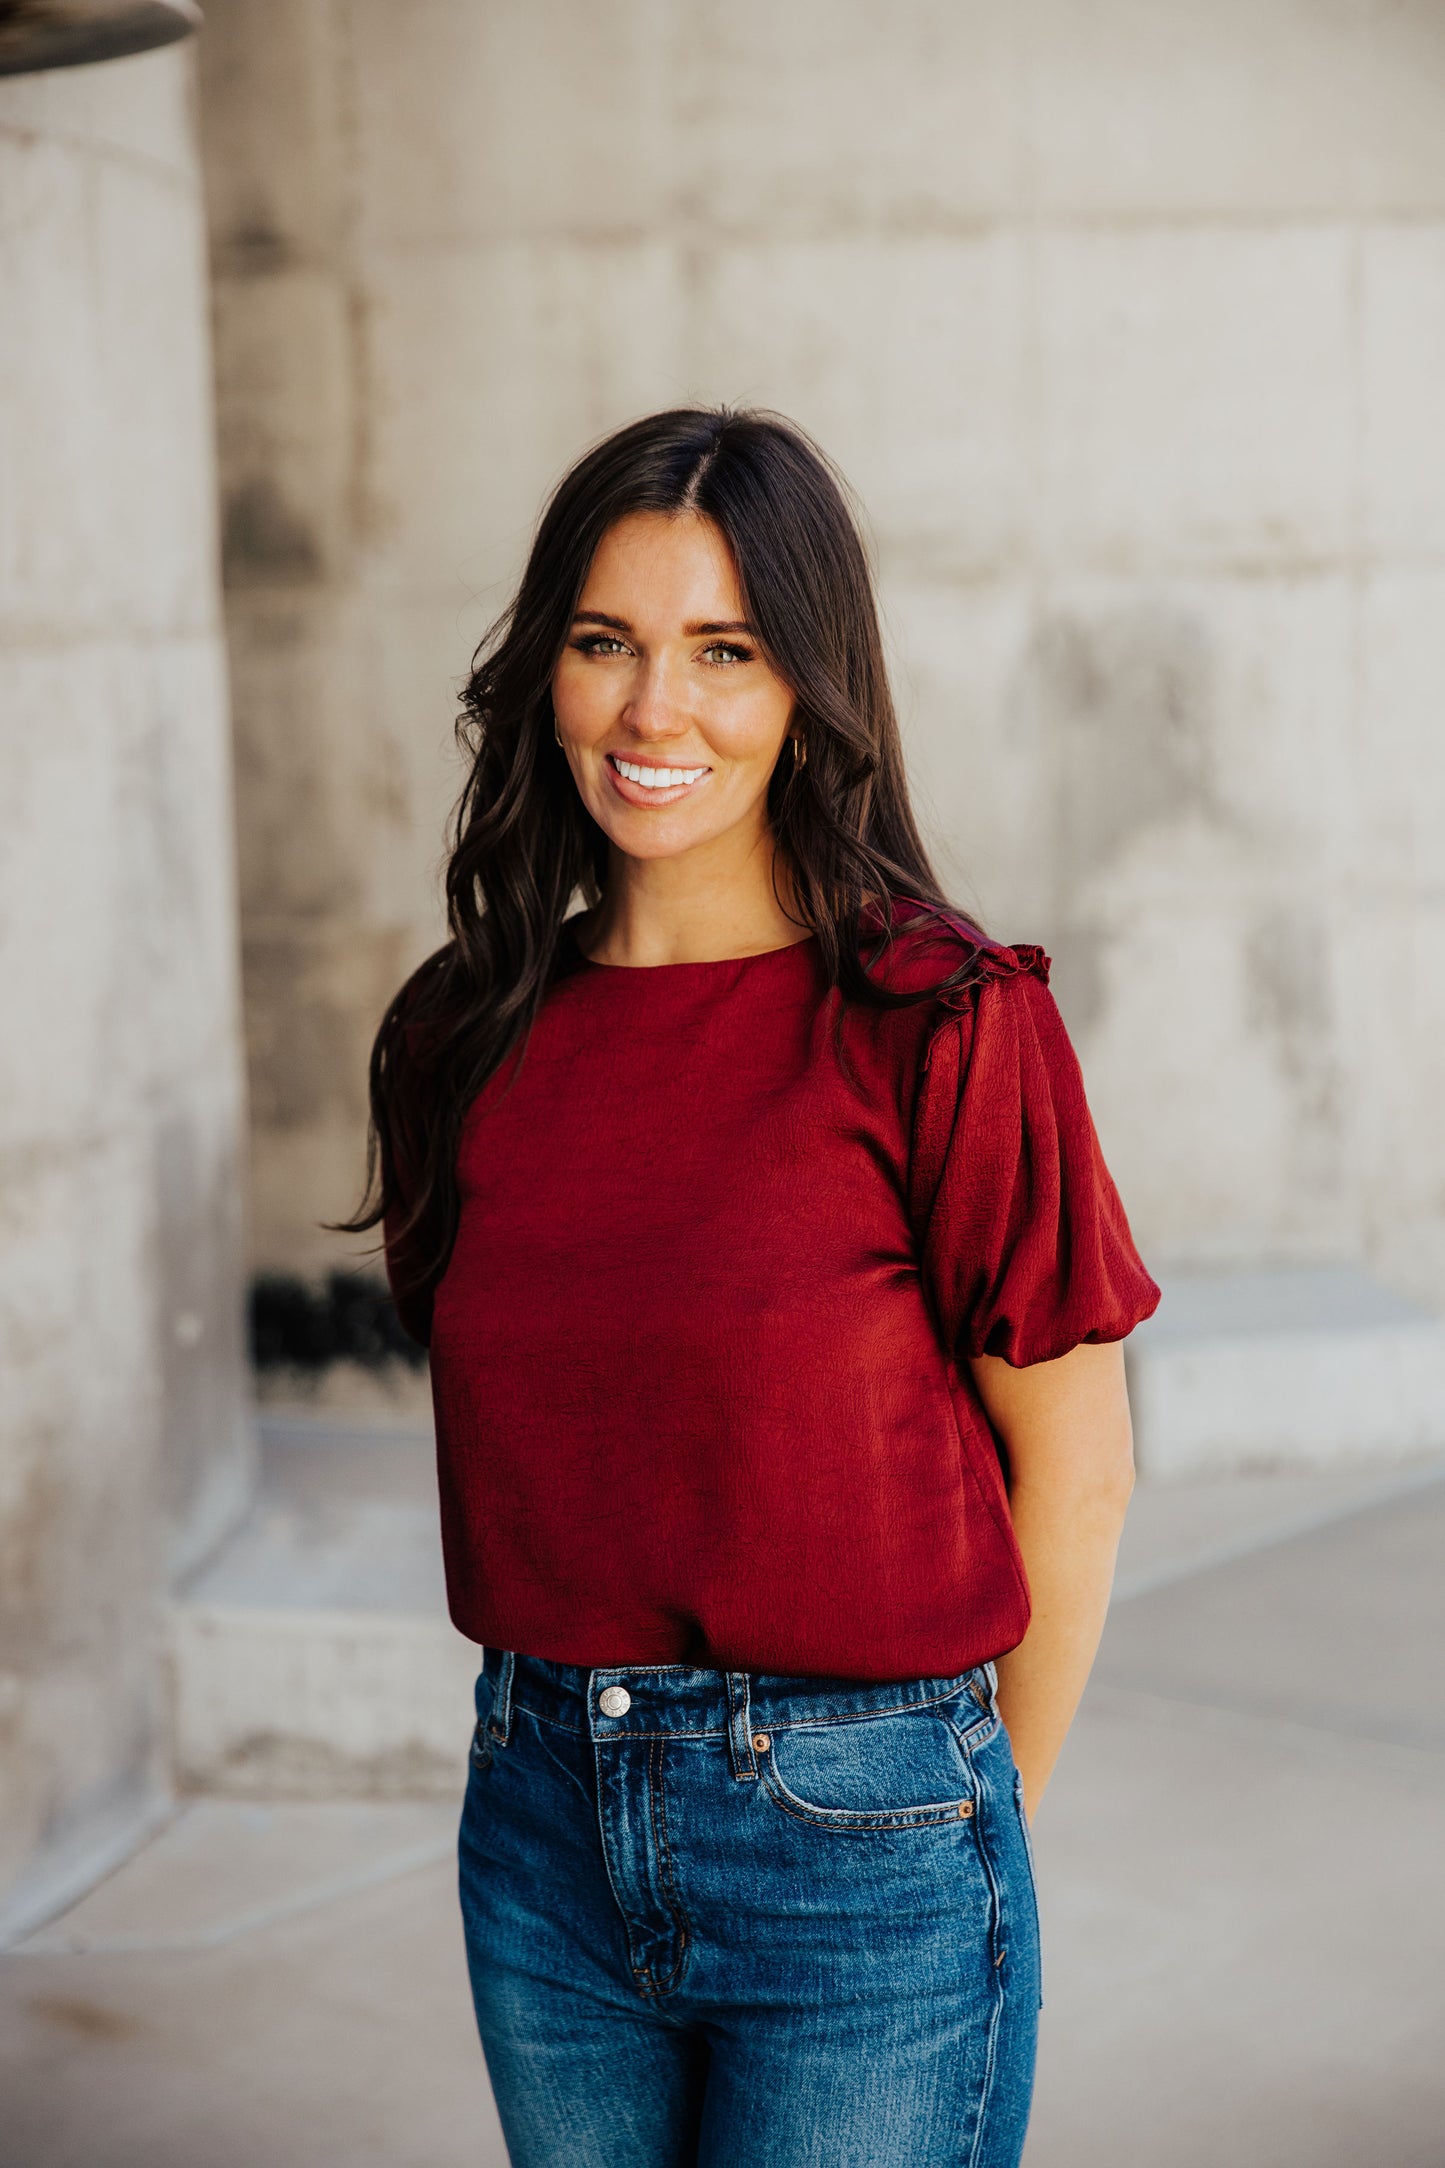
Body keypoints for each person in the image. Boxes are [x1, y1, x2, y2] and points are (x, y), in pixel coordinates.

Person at [343, 407, 1160, 2167]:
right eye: (604, 643)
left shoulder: (939, 1023)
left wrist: (957, 1828)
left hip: (866, 1844)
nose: (657, 711)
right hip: (542, 1822)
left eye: (724, 651)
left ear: (808, 688)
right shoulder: (457, 1038)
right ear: (544, 671)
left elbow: (1077, 1471)